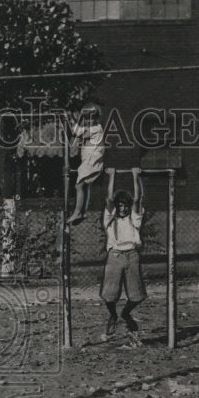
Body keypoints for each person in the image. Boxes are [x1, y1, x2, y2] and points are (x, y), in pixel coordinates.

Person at [99, 167, 146, 343]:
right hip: (115, 256)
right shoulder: (110, 218)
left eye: (125, 206)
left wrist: (135, 176)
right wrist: (111, 176)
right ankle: (113, 315)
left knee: (137, 295)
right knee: (109, 295)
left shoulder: (134, 219)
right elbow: (110, 199)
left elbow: (138, 199)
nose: (123, 209)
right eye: (120, 206)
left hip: (132, 255)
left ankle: (125, 314)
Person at [65, 103, 105, 226]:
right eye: (87, 118)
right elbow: (75, 131)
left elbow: (78, 133)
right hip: (88, 160)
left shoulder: (97, 128)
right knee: (84, 186)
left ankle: (77, 212)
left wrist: (80, 118)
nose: (89, 121)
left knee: (79, 185)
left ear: (97, 119)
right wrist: (77, 118)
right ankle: (82, 212)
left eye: (91, 118)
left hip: (92, 160)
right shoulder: (90, 127)